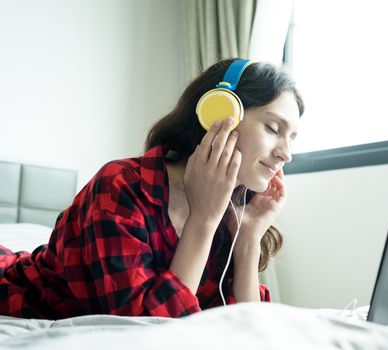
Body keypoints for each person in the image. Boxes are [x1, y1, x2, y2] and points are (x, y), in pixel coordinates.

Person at [0, 58, 304, 319]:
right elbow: (147, 331)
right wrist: (203, 221)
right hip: (20, 293)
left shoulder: (236, 210)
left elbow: (252, 329)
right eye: (273, 129)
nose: (285, 154)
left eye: (292, 138)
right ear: (220, 115)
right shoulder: (122, 185)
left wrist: (248, 240)